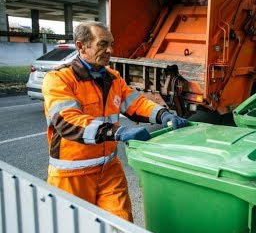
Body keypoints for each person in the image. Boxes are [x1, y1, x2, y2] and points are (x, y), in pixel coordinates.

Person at [42, 21, 188, 222]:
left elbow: (135, 103)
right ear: (81, 46)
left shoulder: (112, 78)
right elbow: (67, 120)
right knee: (73, 229)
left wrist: (163, 115)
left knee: (121, 225)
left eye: (111, 44)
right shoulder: (59, 79)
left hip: (109, 170)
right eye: (102, 44)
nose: (110, 50)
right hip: (71, 175)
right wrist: (116, 132)